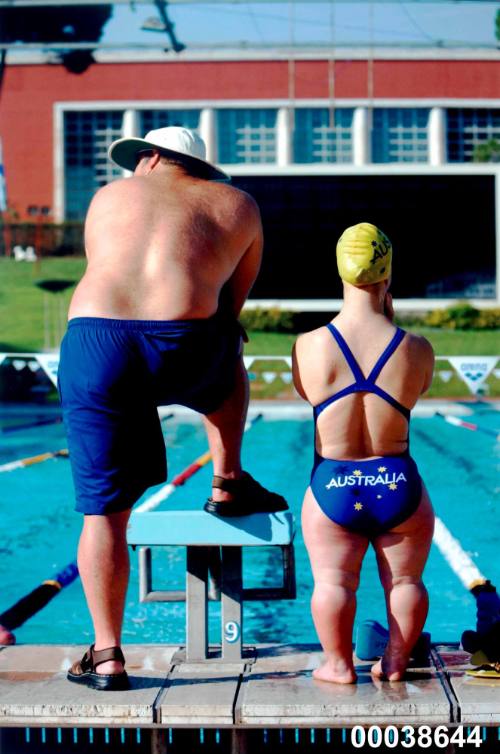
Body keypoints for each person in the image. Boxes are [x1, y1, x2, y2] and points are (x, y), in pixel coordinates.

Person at [58, 126, 287, 691]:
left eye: (139, 159)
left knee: (103, 513)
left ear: (154, 157)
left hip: (94, 342)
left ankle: (108, 656)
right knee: (230, 344)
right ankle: (227, 481)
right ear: (200, 170)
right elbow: (232, 304)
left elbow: (112, 270)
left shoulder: (108, 197)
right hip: (182, 342)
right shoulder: (237, 204)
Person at [292, 222, 435, 683]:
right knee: (407, 582)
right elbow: (414, 395)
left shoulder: (309, 346)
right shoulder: (415, 349)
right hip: (397, 484)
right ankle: (394, 661)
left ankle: (337, 664)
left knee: (334, 582)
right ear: (387, 274)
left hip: (334, 484)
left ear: (340, 272)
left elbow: (307, 394)